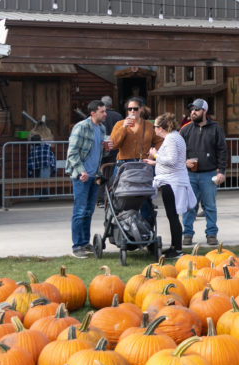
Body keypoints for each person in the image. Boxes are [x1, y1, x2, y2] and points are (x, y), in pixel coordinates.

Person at [144, 112, 196, 258]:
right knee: (172, 216)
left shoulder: (172, 138)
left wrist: (155, 155)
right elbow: (175, 161)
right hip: (172, 180)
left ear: (161, 128)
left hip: (172, 183)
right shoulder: (173, 137)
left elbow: (172, 160)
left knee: (172, 216)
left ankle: (177, 249)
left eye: (155, 126)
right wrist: (155, 162)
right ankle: (174, 246)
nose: (154, 129)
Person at [180, 98, 227, 246]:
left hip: (209, 173)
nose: (193, 112)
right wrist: (184, 162)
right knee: (189, 206)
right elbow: (177, 151)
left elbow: (222, 151)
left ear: (205, 111)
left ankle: (211, 234)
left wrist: (221, 171)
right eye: (192, 109)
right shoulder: (185, 129)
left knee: (210, 206)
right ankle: (187, 234)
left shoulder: (215, 129)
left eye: (197, 109)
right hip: (190, 175)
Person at [65, 99, 108, 258]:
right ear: (93, 113)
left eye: (105, 111)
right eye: (102, 111)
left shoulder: (101, 128)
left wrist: (106, 148)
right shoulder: (81, 127)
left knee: (89, 211)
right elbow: (72, 153)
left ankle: (84, 242)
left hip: (94, 176)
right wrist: (81, 171)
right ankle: (77, 246)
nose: (105, 114)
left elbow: (97, 152)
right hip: (81, 176)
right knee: (80, 211)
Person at [109, 98, 162, 167]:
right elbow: (113, 145)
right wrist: (123, 127)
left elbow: (159, 141)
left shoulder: (148, 125)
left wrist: (153, 154)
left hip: (143, 162)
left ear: (141, 109)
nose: (132, 111)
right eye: (130, 109)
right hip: (124, 163)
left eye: (135, 109)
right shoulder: (119, 124)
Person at [27, 125, 56, 197]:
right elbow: (51, 147)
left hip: (40, 165)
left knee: (41, 179)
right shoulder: (46, 145)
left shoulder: (34, 149)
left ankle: (44, 194)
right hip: (46, 163)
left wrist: (29, 173)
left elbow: (30, 162)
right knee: (43, 179)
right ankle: (43, 194)